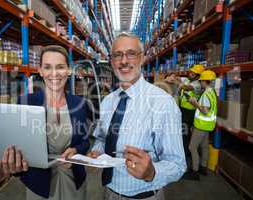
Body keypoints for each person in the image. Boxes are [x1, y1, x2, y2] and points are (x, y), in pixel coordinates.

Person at [88, 32, 186, 200]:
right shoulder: (107, 102)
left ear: (142, 58)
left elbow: (177, 164)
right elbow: (102, 139)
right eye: (118, 55)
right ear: (112, 62)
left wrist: (152, 172)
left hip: (144, 196)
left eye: (131, 54)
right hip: (108, 192)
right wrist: (96, 153)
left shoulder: (162, 103)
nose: (124, 61)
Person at [0, 45, 90, 200]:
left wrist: (75, 151)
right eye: (47, 67)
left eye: (60, 67)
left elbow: (85, 142)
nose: (54, 73)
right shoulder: (27, 102)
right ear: (40, 70)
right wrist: (14, 164)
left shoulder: (79, 103)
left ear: (68, 70)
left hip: (73, 180)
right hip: (39, 183)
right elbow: (18, 145)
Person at [187, 70, 218, 180]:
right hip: (208, 125)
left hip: (201, 125)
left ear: (205, 81)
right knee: (204, 146)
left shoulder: (206, 94)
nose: (200, 83)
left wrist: (194, 103)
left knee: (192, 147)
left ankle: (194, 172)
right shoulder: (212, 92)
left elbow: (205, 111)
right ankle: (203, 168)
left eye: (201, 81)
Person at [177, 64, 204, 169]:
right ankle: (184, 151)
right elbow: (182, 80)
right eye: (190, 72)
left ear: (198, 76)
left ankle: (184, 155)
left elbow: (185, 87)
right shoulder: (190, 80)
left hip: (189, 112)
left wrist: (178, 83)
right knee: (184, 133)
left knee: (185, 133)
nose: (190, 73)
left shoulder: (197, 85)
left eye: (192, 73)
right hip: (184, 110)